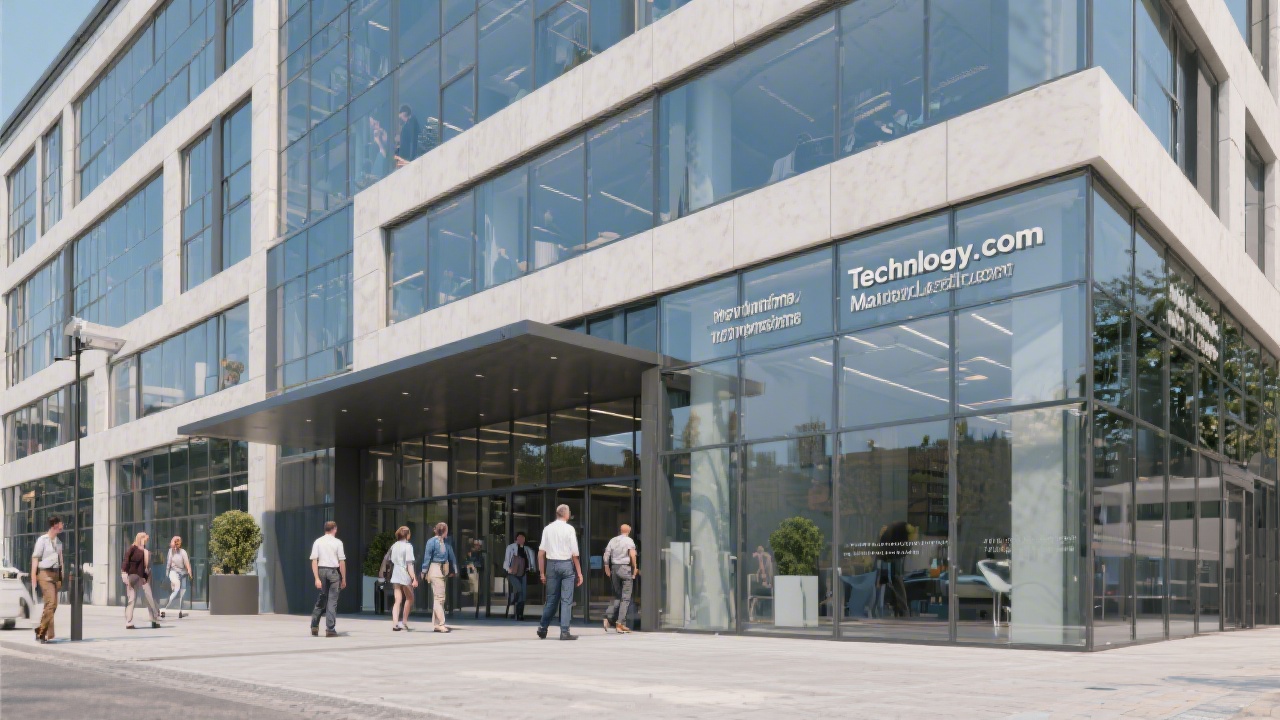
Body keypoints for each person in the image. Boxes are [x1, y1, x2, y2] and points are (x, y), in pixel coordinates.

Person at [537, 504, 582, 641]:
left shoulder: (547, 528)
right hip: (566, 565)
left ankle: (543, 628)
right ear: (566, 514)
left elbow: (541, 553)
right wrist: (579, 573)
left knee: (551, 599)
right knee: (566, 600)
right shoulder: (569, 529)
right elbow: (575, 553)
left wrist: (542, 572)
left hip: (551, 565)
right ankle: (564, 632)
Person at [309, 520, 347, 637]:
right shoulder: (338, 542)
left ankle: (314, 626)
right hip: (334, 572)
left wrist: (316, 578)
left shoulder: (318, 541)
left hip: (321, 571)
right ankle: (330, 629)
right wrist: (344, 578)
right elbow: (341, 562)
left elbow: (314, 560)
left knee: (322, 598)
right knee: (332, 600)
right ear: (334, 529)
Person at [30, 516, 64, 643]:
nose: (63, 526)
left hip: (55, 575)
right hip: (44, 574)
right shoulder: (42, 540)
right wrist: (33, 575)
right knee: (51, 603)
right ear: (55, 525)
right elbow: (35, 558)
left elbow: (61, 561)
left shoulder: (59, 542)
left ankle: (39, 628)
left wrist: (61, 577)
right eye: (61, 523)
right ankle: (42, 633)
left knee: (53, 605)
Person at [420, 522, 458, 633]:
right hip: (435, 569)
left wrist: (454, 569)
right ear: (444, 531)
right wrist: (423, 572)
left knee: (440, 598)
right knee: (439, 598)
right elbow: (427, 558)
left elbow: (451, 556)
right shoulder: (432, 542)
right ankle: (441, 623)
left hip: (443, 570)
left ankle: (436, 624)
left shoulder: (446, 542)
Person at [602, 524, 638, 634]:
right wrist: (635, 567)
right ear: (629, 531)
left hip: (614, 568)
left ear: (620, 530)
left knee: (617, 596)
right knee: (626, 598)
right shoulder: (629, 541)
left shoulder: (613, 540)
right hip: (625, 568)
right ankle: (620, 623)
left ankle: (609, 618)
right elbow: (632, 555)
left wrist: (606, 566)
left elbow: (606, 554)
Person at [121, 532, 161, 630]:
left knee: (149, 597)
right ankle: (129, 622)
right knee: (132, 599)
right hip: (134, 577)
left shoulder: (144, 551)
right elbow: (126, 561)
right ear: (140, 539)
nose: (146, 542)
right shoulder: (133, 549)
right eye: (145, 540)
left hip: (143, 577)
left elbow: (146, 565)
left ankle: (154, 619)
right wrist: (124, 573)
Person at [388, 526, 418, 631]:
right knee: (410, 598)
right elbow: (409, 564)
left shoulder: (394, 545)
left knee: (397, 600)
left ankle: (395, 623)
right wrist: (414, 578)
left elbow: (391, 560)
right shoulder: (408, 546)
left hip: (396, 573)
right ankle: (404, 621)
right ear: (407, 535)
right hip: (404, 574)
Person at [502, 532, 535, 621]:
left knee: (523, 595)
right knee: (519, 590)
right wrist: (508, 569)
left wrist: (531, 568)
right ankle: (515, 605)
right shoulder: (511, 547)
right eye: (519, 538)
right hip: (512, 573)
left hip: (523, 573)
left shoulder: (527, 549)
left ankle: (519, 614)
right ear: (516, 539)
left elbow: (530, 561)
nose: (521, 539)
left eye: (522, 538)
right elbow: (506, 560)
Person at [160, 535, 193, 619]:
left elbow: (187, 563)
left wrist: (190, 573)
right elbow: (168, 564)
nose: (174, 547)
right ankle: (164, 608)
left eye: (176, 544)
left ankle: (180, 609)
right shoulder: (170, 551)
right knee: (177, 588)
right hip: (173, 572)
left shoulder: (183, 552)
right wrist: (167, 576)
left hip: (183, 573)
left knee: (183, 591)